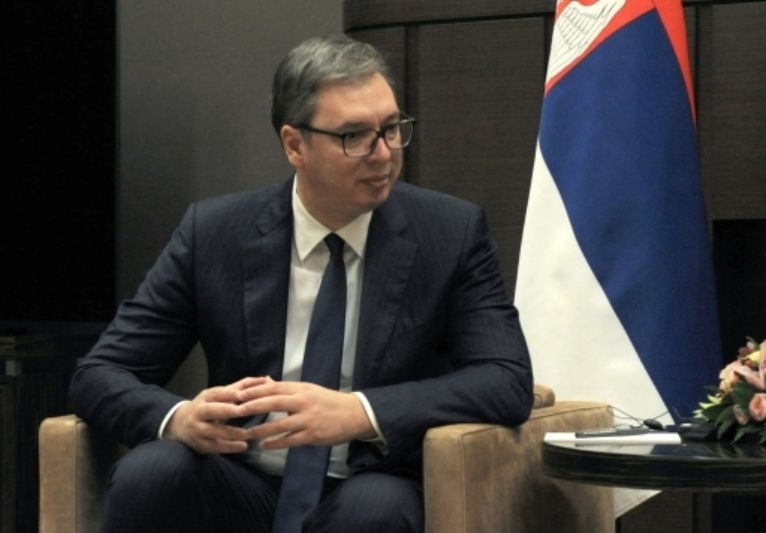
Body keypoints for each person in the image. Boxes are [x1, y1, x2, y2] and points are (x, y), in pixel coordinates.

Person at [69, 34, 533, 533]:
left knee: (373, 509)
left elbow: (505, 379)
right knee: (153, 472)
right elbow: (100, 373)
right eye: (354, 136)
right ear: (295, 145)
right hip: (244, 479)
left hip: (369, 481)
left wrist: (359, 411)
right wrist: (179, 417)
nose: (383, 154)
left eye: (391, 128)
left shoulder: (450, 233)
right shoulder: (216, 233)